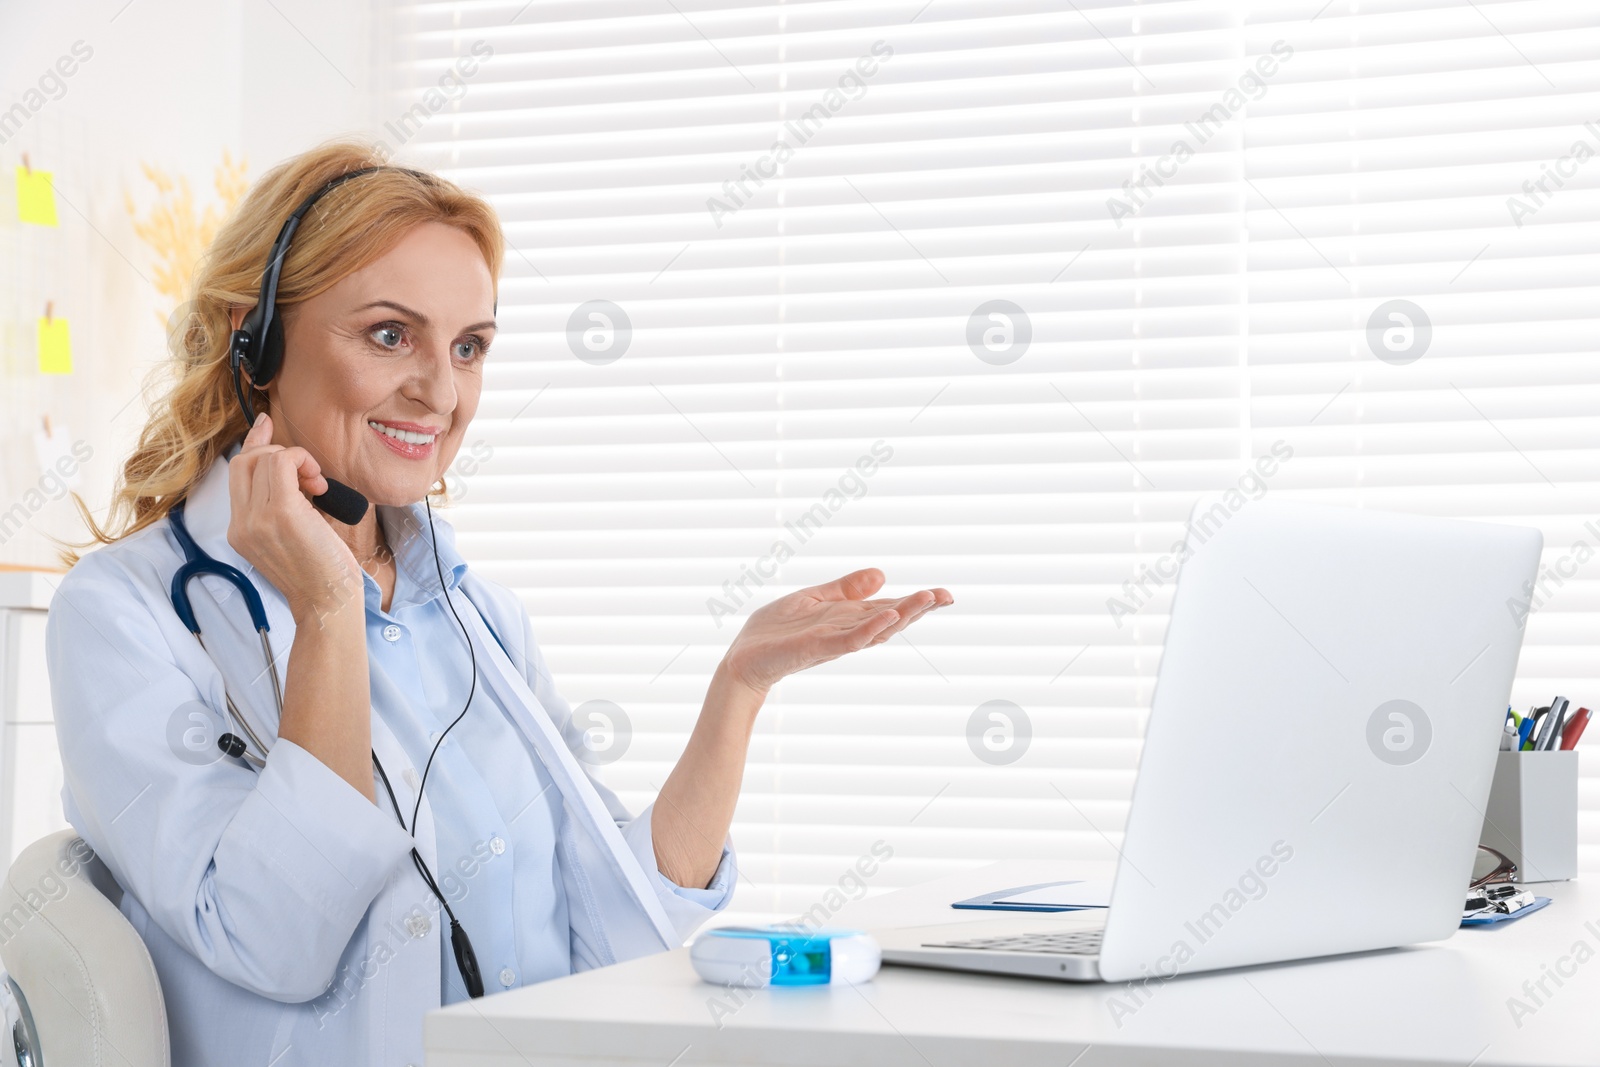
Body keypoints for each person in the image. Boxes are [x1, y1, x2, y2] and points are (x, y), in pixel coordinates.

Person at [46, 140, 951, 1067]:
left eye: (468, 347)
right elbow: (276, 939)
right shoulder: (126, 614)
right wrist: (326, 611)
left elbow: (617, 937)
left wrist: (740, 687)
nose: (441, 393)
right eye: (390, 334)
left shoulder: (479, 619)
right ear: (259, 337)